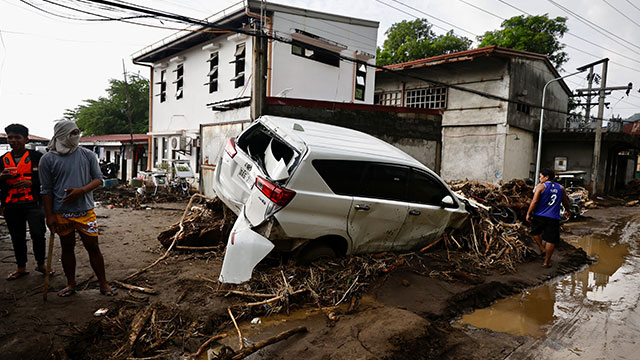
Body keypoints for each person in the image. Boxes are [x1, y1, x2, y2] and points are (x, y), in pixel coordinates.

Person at [39, 120, 115, 297]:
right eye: (72, 133)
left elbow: (98, 179)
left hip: (85, 211)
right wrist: (49, 215)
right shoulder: (48, 159)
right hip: (61, 213)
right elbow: (46, 190)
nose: (76, 136)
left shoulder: (87, 155)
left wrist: (81, 191)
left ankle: (103, 283)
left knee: (93, 246)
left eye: (77, 132)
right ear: (61, 135)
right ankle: (70, 284)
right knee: (67, 247)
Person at [1, 124, 54, 280]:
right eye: (10, 137)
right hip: (11, 204)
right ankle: (21, 267)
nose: (13, 140)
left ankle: (41, 264)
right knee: (17, 236)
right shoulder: (2, 160)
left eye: (17, 137)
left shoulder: (38, 158)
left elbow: (48, 179)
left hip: (33, 203)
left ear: (26, 139)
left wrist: (32, 183)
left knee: (38, 233)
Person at [526, 168, 571, 268]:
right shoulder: (561, 188)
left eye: (540, 177)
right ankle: (546, 262)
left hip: (539, 215)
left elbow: (534, 201)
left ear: (547, 177)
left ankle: (542, 248)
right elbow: (565, 201)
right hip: (554, 218)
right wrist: (567, 210)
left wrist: (528, 213)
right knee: (551, 240)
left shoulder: (541, 186)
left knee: (534, 232)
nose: (539, 178)